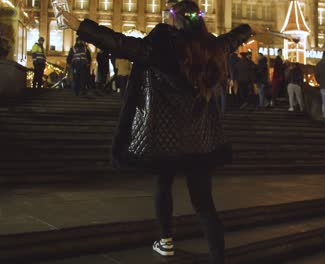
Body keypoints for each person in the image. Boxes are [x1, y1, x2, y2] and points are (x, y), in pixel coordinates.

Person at [61, 1, 256, 263]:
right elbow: (232, 40)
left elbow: (120, 44)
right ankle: (217, 257)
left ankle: (165, 241)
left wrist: (80, 26)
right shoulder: (211, 46)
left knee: (163, 184)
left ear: (175, 19)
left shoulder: (163, 47)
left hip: (165, 136)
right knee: (204, 204)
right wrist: (247, 30)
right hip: (201, 139)